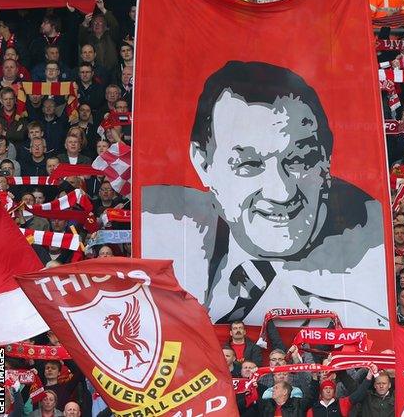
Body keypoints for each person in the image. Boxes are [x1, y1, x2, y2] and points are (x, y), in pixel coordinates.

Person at [141, 61, 389, 327]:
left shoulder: (375, 261)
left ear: (326, 160)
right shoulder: (156, 225)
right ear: (203, 164)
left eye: (299, 160)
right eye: (249, 165)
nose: (281, 192)